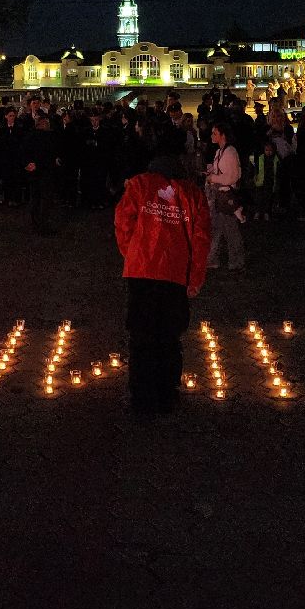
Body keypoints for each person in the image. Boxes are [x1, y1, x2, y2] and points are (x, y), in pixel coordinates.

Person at [114, 130, 211, 415]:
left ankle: (142, 398)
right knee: (169, 337)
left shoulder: (140, 185)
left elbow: (122, 222)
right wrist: (195, 279)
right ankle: (167, 395)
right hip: (174, 274)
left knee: (141, 336)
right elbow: (201, 239)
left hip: (142, 271)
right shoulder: (192, 192)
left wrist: (132, 252)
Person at [204, 122, 245, 270]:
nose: (212, 136)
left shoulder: (229, 153)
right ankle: (213, 258)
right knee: (217, 228)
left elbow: (231, 177)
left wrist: (212, 178)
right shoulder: (220, 152)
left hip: (226, 196)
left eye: (215, 133)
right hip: (219, 195)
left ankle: (236, 261)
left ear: (223, 135)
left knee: (229, 229)